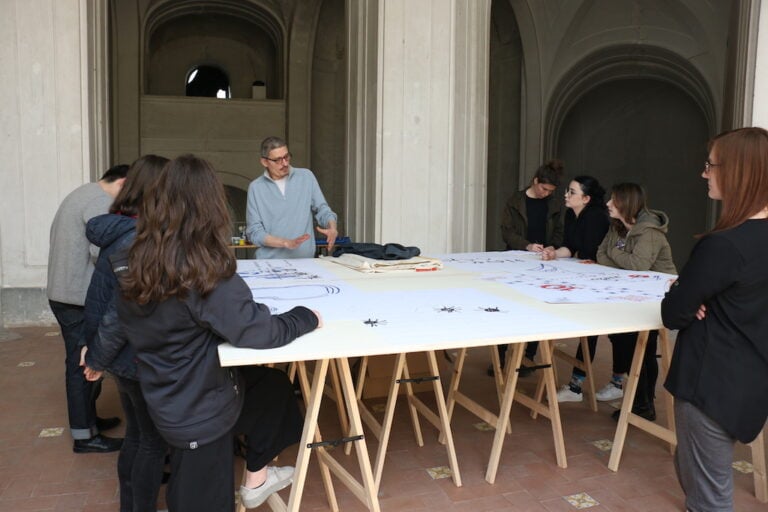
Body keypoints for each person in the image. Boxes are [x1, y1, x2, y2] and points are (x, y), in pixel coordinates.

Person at [104, 154, 322, 512]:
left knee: (273, 390)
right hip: (198, 410)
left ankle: (257, 477)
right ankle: (255, 477)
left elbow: (181, 319)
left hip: (165, 387)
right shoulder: (200, 269)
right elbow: (258, 332)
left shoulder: (135, 256)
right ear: (211, 206)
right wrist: (304, 317)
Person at [662, 127, 768, 511]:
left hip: (711, 380)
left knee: (709, 496)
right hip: (752, 379)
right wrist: (698, 293)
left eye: (711, 165)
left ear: (739, 171)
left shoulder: (723, 245)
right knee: (701, 473)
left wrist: (685, 294)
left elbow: (673, 314)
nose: (704, 173)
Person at [82, 155, 169, 512]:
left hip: (121, 354)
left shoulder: (118, 227)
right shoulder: (136, 240)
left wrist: (98, 352)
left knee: (137, 435)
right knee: (151, 442)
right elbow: (121, 312)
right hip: (132, 354)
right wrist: (98, 357)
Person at [47, 164, 128, 453]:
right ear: (123, 182)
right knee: (83, 364)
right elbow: (102, 249)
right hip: (76, 297)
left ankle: (89, 422)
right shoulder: (100, 202)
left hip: (65, 292)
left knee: (83, 361)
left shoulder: (83, 193)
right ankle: (84, 436)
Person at [595, 183, 676, 421]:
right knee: (625, 343)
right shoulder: (617, 226)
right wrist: (619, 256)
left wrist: (615, 253)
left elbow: (637, 265)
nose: (608, 204)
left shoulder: (649, 231)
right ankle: (639, 402)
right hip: (629, 294)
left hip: (655, 297)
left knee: (641, 349)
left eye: (614, 200)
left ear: (626, 203)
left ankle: (643, 404)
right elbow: (601, 254)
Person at [537, 176, 610, 403]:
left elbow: (592, 252)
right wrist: (554, 253)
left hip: (600, 279)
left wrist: (578, 254)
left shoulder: (597, 217)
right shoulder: (571, 214)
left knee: (593, 330)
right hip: (581, 275)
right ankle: (576, 384)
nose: (566, 195)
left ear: (586, 198)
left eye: (572, 192)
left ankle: (581, 384)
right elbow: (571, 247)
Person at [496, 160, 565, 374]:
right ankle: (500, 357)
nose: (546, 193)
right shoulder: (516, 200)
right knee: (508, 306)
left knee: (537, 306)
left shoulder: (554, 204)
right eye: (544, 188)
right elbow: (506, 231)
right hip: (515, 258)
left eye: (550, 191)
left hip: (542, 262)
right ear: (535, 181)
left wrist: (551, 248)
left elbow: (559, 231)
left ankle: (528, 357)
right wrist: (526, 246)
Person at [246, 136, 338, 259]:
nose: (285, 163)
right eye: (278, 160)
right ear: (264, 162)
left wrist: (332, 227)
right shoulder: (256, 188)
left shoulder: (306, 177)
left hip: (306, 262)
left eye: (286, 157)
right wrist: (285, 243)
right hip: (269, 264)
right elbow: (254, 232)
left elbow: (323, 209)